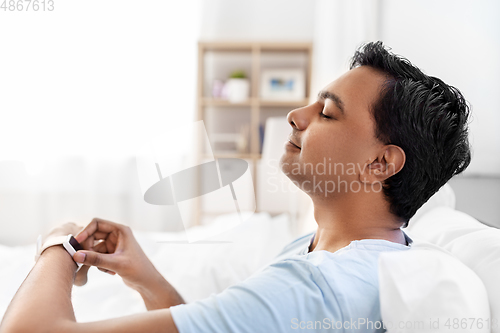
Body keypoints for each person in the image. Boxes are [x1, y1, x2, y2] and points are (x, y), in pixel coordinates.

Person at [0, 41, 471, 333]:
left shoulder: (317, 289)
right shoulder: (345, 255)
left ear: (381, 163)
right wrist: (145, 276)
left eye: (327, 113)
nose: (295, 116)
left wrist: (54, 246)